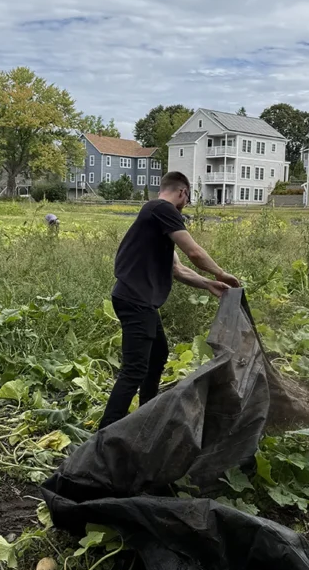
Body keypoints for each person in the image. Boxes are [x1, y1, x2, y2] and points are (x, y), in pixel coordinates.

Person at [99, 171, 239, 429]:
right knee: (134, 369)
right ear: (183, 192)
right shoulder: (163, 209)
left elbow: (177, 269)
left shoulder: (155, 215)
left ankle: (146, 415)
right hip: (135, 300)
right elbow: (194, 252)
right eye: (188, 198)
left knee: (158, 354)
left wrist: (208, 284)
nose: (185, 205)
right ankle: (106, 433)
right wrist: (220, 272)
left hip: (139, 300)